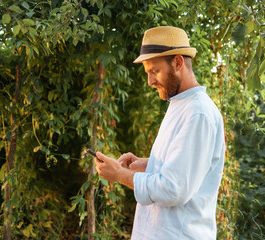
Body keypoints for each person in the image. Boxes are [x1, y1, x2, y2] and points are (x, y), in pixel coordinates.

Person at [94, 26, 225, 239]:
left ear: (178, 62)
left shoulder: (197, 113)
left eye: (154, 71)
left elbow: (173, 188)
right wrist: (148, 163)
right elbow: (185, 168)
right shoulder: (180, 104)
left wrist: (120, 175)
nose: (150, 81)